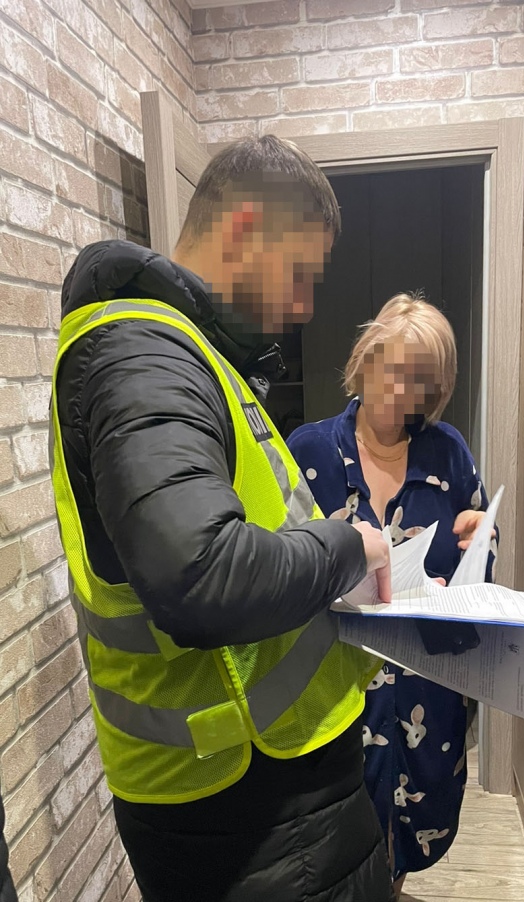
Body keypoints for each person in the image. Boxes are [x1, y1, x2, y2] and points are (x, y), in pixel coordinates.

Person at [50, 136, 395, 902]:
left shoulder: (193, 356)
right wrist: (348, 547)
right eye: (300, 274)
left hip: (267, 801)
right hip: (245, 812)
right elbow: (199, 572)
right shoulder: (143, 356)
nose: (304, 307)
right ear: (243, 229)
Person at [287, 294, 495, 897]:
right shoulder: (309, 451)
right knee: (337, 844)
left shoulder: (448, 453)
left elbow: (477, 557)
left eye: (422, 380)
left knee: (410, 835)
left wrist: (480, 537)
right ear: (367, 358)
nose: (403, 391)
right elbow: (281, 565)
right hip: (335, 686)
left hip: (428, 688)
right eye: (394, 369)